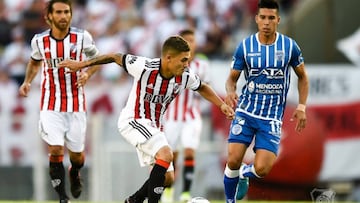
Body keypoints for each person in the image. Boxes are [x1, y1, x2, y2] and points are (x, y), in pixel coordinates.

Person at [59, 35, 235, 203]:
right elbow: (115, 56)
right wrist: (82, 64)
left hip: (154, 126)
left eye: (188, 59)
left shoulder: (184, 76)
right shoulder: (144, 66)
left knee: (168, 178)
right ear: (168, 58)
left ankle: (134, 199)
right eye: (183, 60)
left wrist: (221, 105)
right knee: (166, 154)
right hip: (133, 120)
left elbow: (202, 87)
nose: (186, 64)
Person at [222, 0, 309, 202]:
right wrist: (230, 91)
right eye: (263, 17)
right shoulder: (245, 46)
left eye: (271, 18)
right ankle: (230, 201)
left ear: (278, 20)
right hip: (246, 111)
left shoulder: (289, 47)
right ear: (256, 19)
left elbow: (303, 77)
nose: (267, 22)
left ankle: (245, 173)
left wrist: (302, 106)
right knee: (233, 159)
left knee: (262, 169)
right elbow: (231, 79)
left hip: (271, 118)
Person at [18, 0, 100, 202]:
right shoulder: (39, 41)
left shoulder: (82, 37)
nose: (63, 16)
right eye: (59, 12)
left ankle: (74, 172)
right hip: (50, 103)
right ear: (49, 17)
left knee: (77, 157)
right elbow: (34, 63)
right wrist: (27, 81)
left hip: (76, 104)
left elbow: (97, 59)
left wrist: (88, 74)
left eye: (67, 12)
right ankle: (63, 197)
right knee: (55, 148)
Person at [161, 29, 211, 202]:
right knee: (172, 156)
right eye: (186, 40)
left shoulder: (202, 65)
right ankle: (168, 191)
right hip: (172, 117)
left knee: (189, 152)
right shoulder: (171, 63)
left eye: (192, 40)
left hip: (192, 116)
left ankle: (185, 195)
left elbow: (206, 87)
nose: (190, 43)